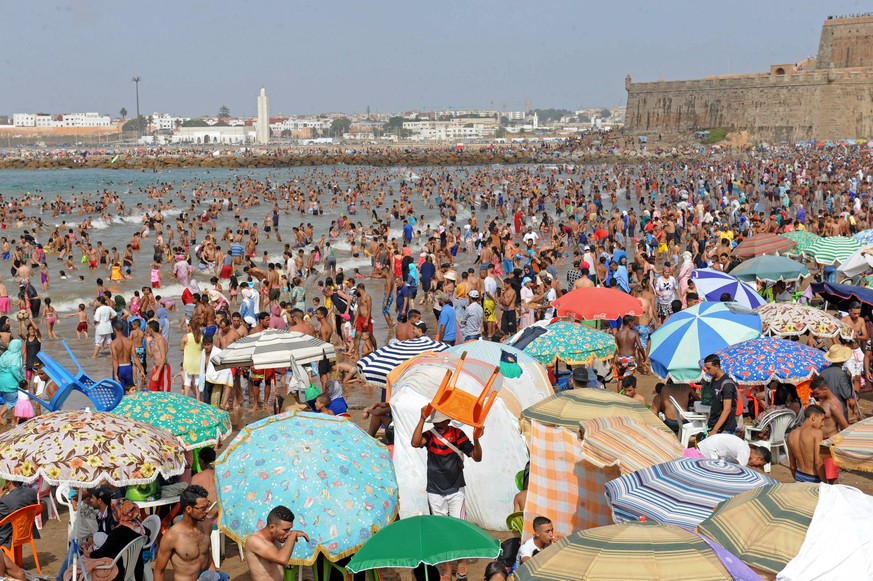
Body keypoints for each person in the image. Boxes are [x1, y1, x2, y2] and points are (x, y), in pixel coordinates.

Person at [411, 407, 483, 581]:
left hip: (456, 488)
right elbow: (414, 442)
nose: (438, 425)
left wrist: (475, 439)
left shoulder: (458, 435)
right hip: (435, 490)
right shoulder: (430, 435)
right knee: (441, 530)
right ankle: (448, 566)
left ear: (448, 421)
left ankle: (461, 561)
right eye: (435, 422)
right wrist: (421, 418)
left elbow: (476, 456)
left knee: (458, 526)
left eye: (441, 422)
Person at [154, 485, 224, 581]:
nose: (207, 511)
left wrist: (215, 575)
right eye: (203, 508)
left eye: (208, 505)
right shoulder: (171, 537)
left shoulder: (207, 525)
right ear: (188, 509)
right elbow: (159, 571)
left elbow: (206, 553)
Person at [83, 499, 146, 581]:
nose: (113, 514)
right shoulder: (138, 526)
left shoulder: (118, 532)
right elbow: (149, 532)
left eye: (115, 511)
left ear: (120, 512)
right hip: (135, 570)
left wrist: (88, 554)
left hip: (117, 571)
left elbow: (102, 552)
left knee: (80, 567)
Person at [244, 505, 309, 581]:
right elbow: (282, 560)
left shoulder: (276, 539)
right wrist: (293, 535)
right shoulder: (254, 540)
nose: (289, 533)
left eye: (290, 529)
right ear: (272, 528)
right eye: (285, 530)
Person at [810, 377, 849, 484]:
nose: (816, 396)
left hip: (830, 442)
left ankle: (836, 498)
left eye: (817, 393)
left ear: (825, 389)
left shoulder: (833, 405)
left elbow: (845, 426)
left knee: (831, 477)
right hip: (821, 441)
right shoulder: (824, 400)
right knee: (820, 473)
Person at [787, 405, 827, 483]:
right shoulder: (817, 433)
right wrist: (825, 483)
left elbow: (792, 466)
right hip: (813, 478)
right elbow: (818, 463)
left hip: (799, 475)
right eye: (822, 420)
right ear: (813, 417)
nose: (822, 424)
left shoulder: (791, 434)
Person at [702, 354, 738, 435]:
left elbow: (727, 409)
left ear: (717, 366)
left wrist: (715, 430)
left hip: (724, 428)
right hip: (712, 424)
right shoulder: (713, 380)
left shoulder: (727, 384)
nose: (707, 371)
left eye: (709, 368)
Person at [692, 433, 770, 468]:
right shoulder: (745, 454)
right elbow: (739, 472)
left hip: (706, 446)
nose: (756, 467)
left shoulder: (745, 447)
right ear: (758, 458)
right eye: (759, 465)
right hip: (709, 450)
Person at [0, 479, 37, 550]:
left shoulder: (5, 500)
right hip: (28, 531)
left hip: (8, 534)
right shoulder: (31, 492)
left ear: (9, 482)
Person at [0, 339, 24, 426]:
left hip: (2, 382)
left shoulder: (5, 354)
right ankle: (14, 422)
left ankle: (0, 415)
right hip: (11, 383)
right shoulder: (16, 355)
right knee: (15, 402)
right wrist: (21, 379)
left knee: (9, 400)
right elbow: (14, 369)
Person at [614, 315, 645, 379]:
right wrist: (644, 357)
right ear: (630, 323)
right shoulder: (634, 333)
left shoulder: (617, 334)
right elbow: (640, 347)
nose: (634, 324)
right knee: (628, 379)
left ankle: (619, 389)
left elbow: (615, 348)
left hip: (620, 358)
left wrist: (613, 361)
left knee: (620, 378)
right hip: (630, 359)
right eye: (633, 323)